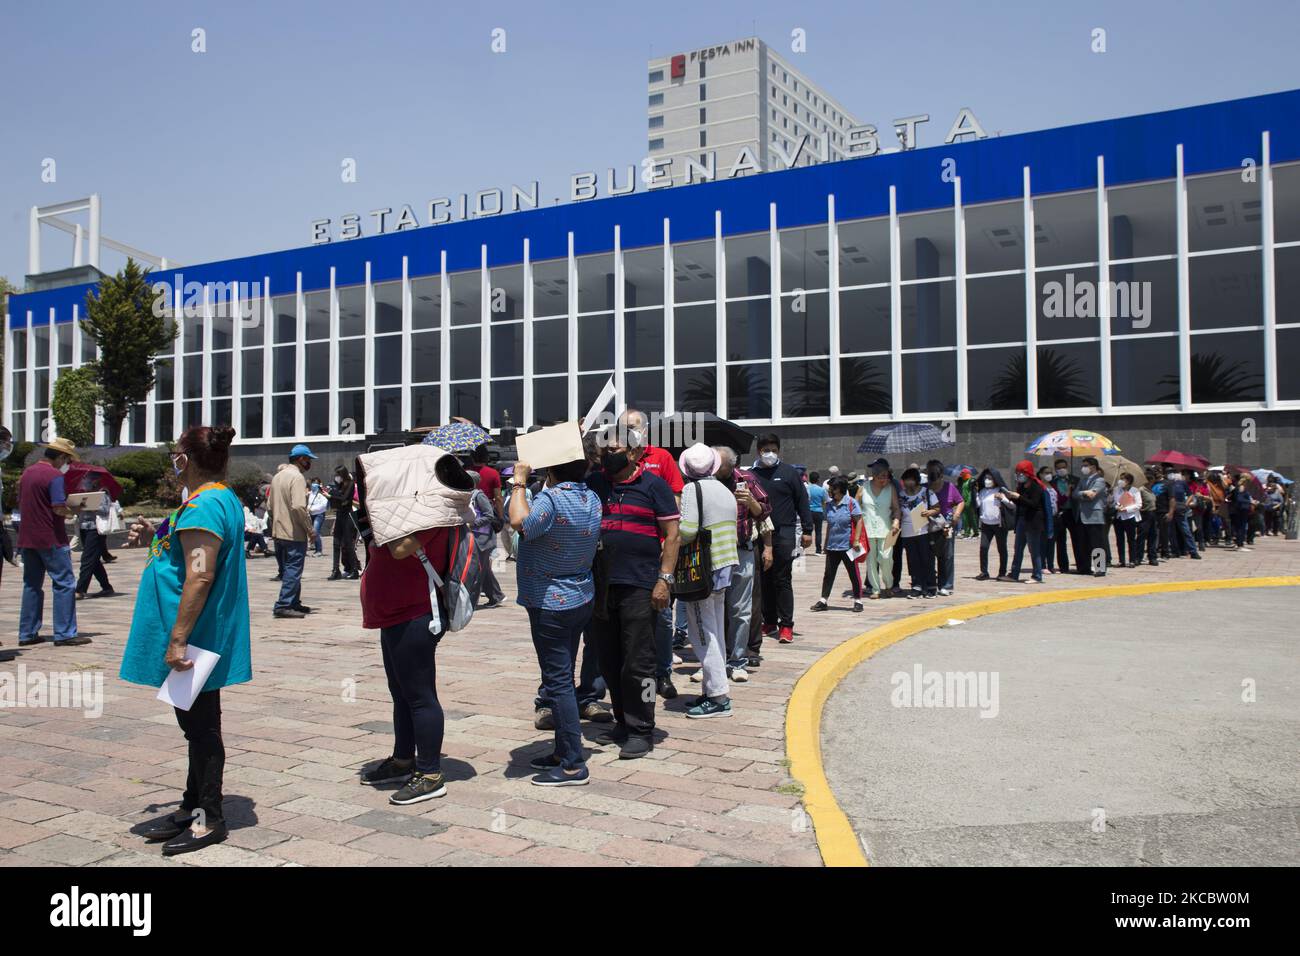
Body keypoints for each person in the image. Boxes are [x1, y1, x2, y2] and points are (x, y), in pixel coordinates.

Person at [119, 425, 250, 855]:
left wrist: (178, 640)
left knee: (201, 729)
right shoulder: (209, 499)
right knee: (196, 727)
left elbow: (200, 574)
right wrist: (152, 537)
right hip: (200, 635)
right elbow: (186, 555)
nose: (172, 457)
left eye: (175, 451)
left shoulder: (205, 505)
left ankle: (209, 816)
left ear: (186, 458)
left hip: (196, 639)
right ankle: (192, 804)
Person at [357, 498, 462, 807]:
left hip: (416, 614)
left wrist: (382, 514)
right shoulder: (408, 511)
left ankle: (430, 775)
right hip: (393, 614)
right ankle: (403, 759)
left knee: (419, 695)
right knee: (400, 691)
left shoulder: (433, 513)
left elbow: (399, 549)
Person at [586, 419, 680, 759]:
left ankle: (643, 729)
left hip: (641, 584)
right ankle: (623, 722)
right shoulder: (596, 483)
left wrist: (664, 580)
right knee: (609, 660)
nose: (610, 454)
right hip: (601, 585)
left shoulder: (655, 486)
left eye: (617, 449)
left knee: (638, 661)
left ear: (636, 452)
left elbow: (672, 536)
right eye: (606, 449)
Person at [509, 453, 602, 785]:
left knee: (558, 681)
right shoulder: (590, 496)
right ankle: (564, 749)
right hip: (579, 595)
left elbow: (520, 523)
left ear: (551, 470)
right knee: (562, 673)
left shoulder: (551, 498)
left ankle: (573, 764)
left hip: (550, 601)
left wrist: (520, 481)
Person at [676, 443, 740, 719]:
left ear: (687, 470)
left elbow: (688, 531)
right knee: (715, 629)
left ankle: (718, 697)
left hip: (704, 568)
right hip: (725, 564)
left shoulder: (692, 490)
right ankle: (712, 689)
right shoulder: (724, 490)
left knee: (702, 632)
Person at [17, 437, 91, 647]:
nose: (66, 464)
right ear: (60, 456)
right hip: (51, 537)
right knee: (65, 583)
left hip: (28, 537)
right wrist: (74, 510)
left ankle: (27, 633)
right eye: (66, 459)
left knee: (31, 584)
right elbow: (58, 507)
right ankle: (65, 633)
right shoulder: (54, 476)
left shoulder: (27, 473)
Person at [749, 433, 813, 645]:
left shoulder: (788, 473)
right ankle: (769, 621)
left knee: (782, 579)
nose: (770, 454)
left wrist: (807, 529)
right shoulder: (752, 474)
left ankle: (786, 625)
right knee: (763, 579)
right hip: (759, 532)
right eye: (766, 450)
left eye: (774, 450)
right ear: (759, 451)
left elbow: (802, 501)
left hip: (784, 532)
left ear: (779, 451)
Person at [714, 446, 771, 683]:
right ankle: (715, 661)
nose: (717, 471)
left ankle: (738, 660)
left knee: (741, 608)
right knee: (714, 609)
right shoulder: (706, 480)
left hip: (742, 550)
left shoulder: (746, 479)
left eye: (722, 467)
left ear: (732, 465)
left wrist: (751, 503)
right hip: (714, 552)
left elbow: (765, 511)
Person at [268, 444, 316, 617]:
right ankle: (283, 604)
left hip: (278, 531)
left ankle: (294, 602)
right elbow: (298, 507)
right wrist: (310, 530)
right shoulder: (297, 478)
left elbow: (269, 507)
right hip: (294, 532)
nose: (310, 463)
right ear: (301, 459)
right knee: (294, 569)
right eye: (308, 459)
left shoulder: (277, 477)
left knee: (290, 568)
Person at [810, 475, 864, 612]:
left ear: (839, 489)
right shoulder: (828, 505)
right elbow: (829, 525)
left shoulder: (851, 503)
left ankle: (858, 600)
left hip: (848, 546)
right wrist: (826, 543)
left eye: (831, 488)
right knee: (828, 573)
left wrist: (856, 540)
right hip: (833, 546)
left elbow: (859, 521)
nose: (829, 491)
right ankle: (823, 600)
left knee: (853, 573)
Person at [856, 458, 900, 599]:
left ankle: (888, 585)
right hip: (867, 530)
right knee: (871, 560)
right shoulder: (863, 488)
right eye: (881, 477)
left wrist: (896, 522)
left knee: (886, 558)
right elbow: (855, 507)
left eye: (886, 476)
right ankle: (876, 589)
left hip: (886, 529)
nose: (884, 480)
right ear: (874, 476)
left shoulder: (890, 488)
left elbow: (896, 509)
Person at [925, 460, 965, 596]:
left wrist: (957, 514)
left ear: (941, 475)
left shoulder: (949, 487)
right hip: (928, 526)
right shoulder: (924, 488)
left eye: (935, 475)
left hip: (946, 525)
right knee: (929, 555)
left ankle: (946, 584)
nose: (933, 480)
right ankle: (930, 583)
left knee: (947, 555)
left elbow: (960, 501)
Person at [897, 468, 938, 597]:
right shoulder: (901, 495)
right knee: (913, 561)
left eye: (910, 479)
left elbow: (937, 508)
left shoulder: (926, 492)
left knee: (926, 559)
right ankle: (916, 585)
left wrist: (929, 512)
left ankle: (930, 586)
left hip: (923, 531)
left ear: (916, 480)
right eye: (906, 480)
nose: (908, 482)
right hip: (907, 533)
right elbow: (897, 510)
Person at [468, 470, 506, 608]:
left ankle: (471, 602)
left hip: (483, 539)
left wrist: (473, 524)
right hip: (473, 537)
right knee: (483, 569)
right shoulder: (467, 495)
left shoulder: (479, 496)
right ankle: (496, 596)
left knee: (477, 571)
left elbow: (489, 515)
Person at [74, 474, 115, 599]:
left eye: (87, 480)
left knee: (87, 559)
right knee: (93, 560)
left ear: (95, 481)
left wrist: (92, 507)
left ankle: (80, 589)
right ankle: (106, 587)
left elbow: (105, 510)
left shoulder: (102, 493)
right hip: (84, 528)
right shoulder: (84, 494)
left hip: (95, 529)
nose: (84, 482)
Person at [1005, 460, 1047, 584]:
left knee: (1034, 550)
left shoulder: (1036, 486)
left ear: (1027, 473)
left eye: (1021, 473)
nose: (1019, 476)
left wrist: (1019, 497)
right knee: (1018, 548)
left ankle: (1037, 576)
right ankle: (1014, 574)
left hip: (1033, 522)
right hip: (1022, 521)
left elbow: (1033, 504)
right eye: (1017, 473)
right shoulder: (1021, 486)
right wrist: (1013, 497)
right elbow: (1021, 503)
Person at [1073, 456, 1112, 575]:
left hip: (1094, 516)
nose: (1083, 468)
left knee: (1097, 543)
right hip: (1082, 515)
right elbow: (1075, 494)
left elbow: (1092, 495)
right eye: (1083, 466)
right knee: (1083, 543)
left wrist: (1083, 494)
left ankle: (1100, 568)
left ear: (1093, 467)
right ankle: (1084, 568)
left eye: (1086, 465)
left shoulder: (1099, 480)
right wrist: (1084, 492)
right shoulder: (1082, 480)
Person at [974, 467, 1013, 581]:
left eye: (990, 478)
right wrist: (975, 494)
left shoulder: (1002, 491)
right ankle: (984, 572)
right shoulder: (982, 492)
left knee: (1002, 548)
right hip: (986, 524)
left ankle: (1002, 572)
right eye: (986, 478)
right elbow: (977, 505)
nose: (987, 480)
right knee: (983, 547)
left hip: (999, 524)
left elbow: (1012, 505)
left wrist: (1003, 499)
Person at [326, 464, 360, 580]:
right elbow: (337, 501)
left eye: (338, 475)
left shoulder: (350, 484)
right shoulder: (338, 485)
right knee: (336, 543)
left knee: (348, 544)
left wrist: (330, 496)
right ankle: (335, 570)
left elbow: (344, 499)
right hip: (340, 515)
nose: (337, 477)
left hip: (347, 517)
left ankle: (354, 569)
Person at [1164, 467, 1202, 561]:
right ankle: (1175, 551)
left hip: (1180, 509)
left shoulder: (1181, 483)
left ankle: (1193, 551)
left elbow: (1190, 494)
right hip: (1170, 509)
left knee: (1186, 531)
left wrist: (1186, 504)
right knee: (1171, 532)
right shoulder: (1167, 484)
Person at [1049, 460, 1078, 573]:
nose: (1062, 470)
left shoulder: (1074, 480)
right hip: (1059, 513)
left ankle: (1081, 564)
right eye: (1059, 468)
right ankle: (1063, 566)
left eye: (1064, 467)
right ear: (1055, 469)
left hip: (1072, 512)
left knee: (1077, 540)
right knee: (1060, 541)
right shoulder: (1052, 481)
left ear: (1067, 467)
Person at [1111, 472, 1142, 568]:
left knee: (1131, 539)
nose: (1120, 481)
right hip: (1119, 517)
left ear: (1128, 481)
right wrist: (1117, 507)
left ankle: (1132, 560)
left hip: (1130, 517)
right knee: (1119, 539)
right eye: (1120, 479)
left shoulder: (1135, 491)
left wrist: (1126, 509)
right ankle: (1121, 560)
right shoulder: (1116, 490)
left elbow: (1138, 504)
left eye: (1123, 479)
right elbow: (1114, 501)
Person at [1037, 466, 1059, 574]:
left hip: (1054, 516)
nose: (1048, 475)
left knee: (1051, 542)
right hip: (1043, 517)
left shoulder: (1053, 485)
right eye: (1046, 473)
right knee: (1043, 542)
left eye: (1050, 473)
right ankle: (1042, 565)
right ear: (1040, 474)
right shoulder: (1039, 486)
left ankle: (1051, 565)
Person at [1138, 470, 1160, 566]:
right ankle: (1138, 557)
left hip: (1153, 514)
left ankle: (1152, 557)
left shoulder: (1151, 490)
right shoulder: (1141, 490)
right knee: (1141, 536)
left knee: (1153, 536)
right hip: (1145, 514)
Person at [1228, 474, 1255, 551]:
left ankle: (1238, 543)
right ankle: (1240, 545)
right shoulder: (1242, 487)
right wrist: (1250, 501)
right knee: (1241, 527)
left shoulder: (1239, 487)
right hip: (1242, 509)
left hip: (1240, 509)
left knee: (1240, 527)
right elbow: (1239, 499)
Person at [807, 472, 827, 554]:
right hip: (818, 512)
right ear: (818, 479)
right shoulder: (821, 490)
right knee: (818, 532)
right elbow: (824, 501)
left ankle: (802, 546)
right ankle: (818, 550)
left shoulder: (807, 488)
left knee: (807, 530)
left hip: (809, 511)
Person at [307, 478, 329, 556]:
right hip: (311, 515)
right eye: (313, 483)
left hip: (319, 515)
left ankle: (319, 550)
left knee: (315, 531)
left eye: (315, 483)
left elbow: (324, 506)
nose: (313, 485)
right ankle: (316, 549)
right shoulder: (310, 494)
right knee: (314, 532)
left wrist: (312, 509)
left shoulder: (322, 494)